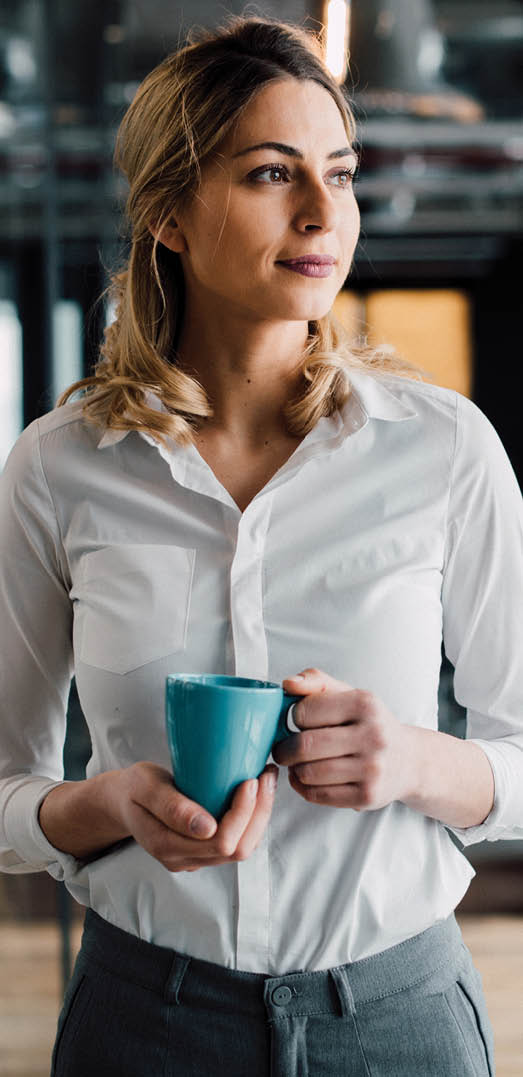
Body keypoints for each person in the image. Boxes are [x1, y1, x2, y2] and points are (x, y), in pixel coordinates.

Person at [0, 15, 521, 1077]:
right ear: (171, 216)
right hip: (144, 1020)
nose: (325, 212)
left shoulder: (444, 450)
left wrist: (412, 761)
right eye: (271, 174)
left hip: (399, 1018)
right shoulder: (58, 467)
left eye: (339, 172)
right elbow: (4, 788)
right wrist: (101, 804)